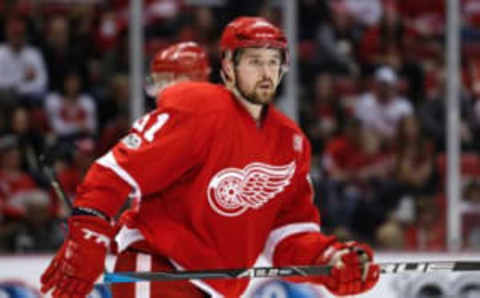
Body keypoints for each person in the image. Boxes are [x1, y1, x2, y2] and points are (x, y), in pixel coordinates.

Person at [40, 17, 380, 298]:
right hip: (160, 270)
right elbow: (113, 172)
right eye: (253, 61)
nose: (265, 72)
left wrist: (329, 260)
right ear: (228, 67)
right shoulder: (196, 107)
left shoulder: (290, 142)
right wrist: (88, 235)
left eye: (273, 61)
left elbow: (286, 236)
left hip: (217, 288)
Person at [145, 41, 211, 105]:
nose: (158, 92)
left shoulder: (217, 111)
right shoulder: (159, 114)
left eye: (166, 81)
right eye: (157, 82)